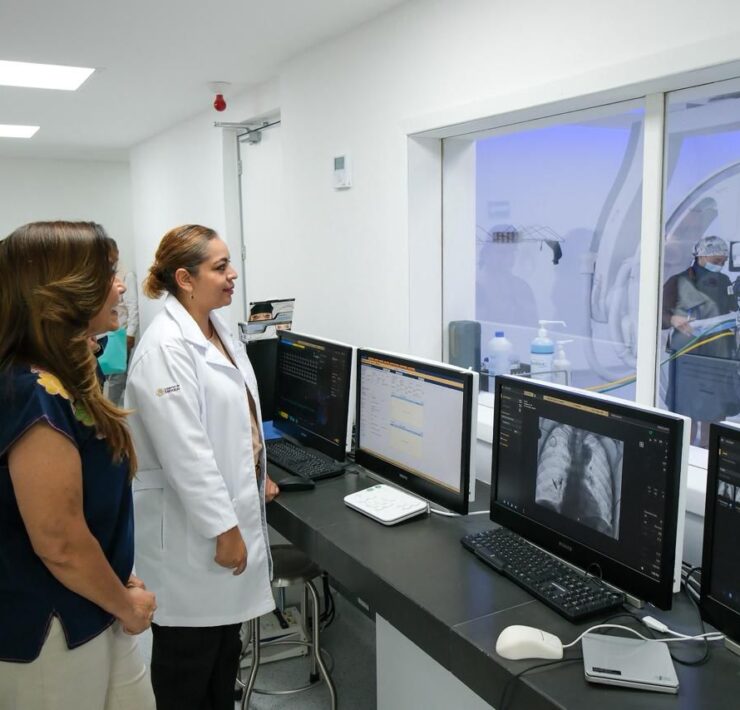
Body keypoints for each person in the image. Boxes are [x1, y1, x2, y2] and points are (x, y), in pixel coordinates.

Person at [0, 221, 156, 710]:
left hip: (94, 603)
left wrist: (115, 578)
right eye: (108, 273)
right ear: (65, 290)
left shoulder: (62, 379)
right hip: (48, 629)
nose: (121, 286)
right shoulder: (32, 393)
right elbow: (59, 541)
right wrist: (125, 604)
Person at [124, 224, 279, 710]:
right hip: (191, 539)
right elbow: (185, 452)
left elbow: (235, 416)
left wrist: (258, 470)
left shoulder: (218, 330)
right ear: (185, 279)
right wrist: (225, 529)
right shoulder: (166, 347)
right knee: (187, 668)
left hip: (222, 519)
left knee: (222, 658)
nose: (233, 275)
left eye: (230, 263)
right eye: (220, 267)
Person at [662, 235, 738, 446]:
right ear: (701, 256)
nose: (720, 265)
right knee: (686, 413)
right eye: (716, 261)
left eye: (723, 261)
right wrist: (673, 319)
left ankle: (707, 453)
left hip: (718, 358)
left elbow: (732, 310)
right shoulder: (678, 281)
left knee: (714, 414)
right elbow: (658, 314)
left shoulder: (725, 282)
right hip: (688, 358)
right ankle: (683, 453)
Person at [107, 268, 140, 405]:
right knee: (106, 375)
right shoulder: (102, 275)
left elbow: (133, 307)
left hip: (120, 333)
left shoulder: (127, 276)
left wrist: (130, 333)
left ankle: (112, 408)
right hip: (105, 333)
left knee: (117, 376)